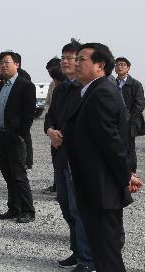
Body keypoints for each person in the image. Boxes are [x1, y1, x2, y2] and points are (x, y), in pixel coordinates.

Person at [65, 43, 143, 272]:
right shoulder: (90, 90)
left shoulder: (102, 92)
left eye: (82, 59)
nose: (76, 63)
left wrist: (125, 176)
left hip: (102, 188)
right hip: (94, 186)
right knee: (102, 251)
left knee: (107, 253)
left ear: (100, 65)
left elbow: (112, 143)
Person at [44, 39, 95, 272]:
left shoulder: (88, 89)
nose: (64, 61)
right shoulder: (61, 88)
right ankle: (77, 251)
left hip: (79, 159)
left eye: (70, 57)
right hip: (61, 156)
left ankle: (88, 259)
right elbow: (51, 116)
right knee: (67, 208)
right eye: (63, 57)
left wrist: (62, 135)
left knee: (80, 209)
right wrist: (50, 131)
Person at [0, 51, 36, 224]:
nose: (3, 65)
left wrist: (19, 133)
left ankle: (28, 210)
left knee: (19, 175)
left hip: (14, 137)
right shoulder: (0, 86)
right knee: (8, 175)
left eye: (6, 62)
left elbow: (29, 114)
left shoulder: (26, 85)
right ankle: (14, 208)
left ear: (17, 64)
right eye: (1, 62)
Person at [114, 57, 145, 173]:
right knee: (115, 147)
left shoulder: (135, 84)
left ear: (128, 68)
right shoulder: (111, 83)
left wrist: (129, 119)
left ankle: (131, 173)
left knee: (129, 149)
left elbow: (140, 104)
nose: (120, 66)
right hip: (114, 122)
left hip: (129, 123)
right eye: (117, 64)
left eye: (123, 64)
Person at [41, 56, 63, 195]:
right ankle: (57, 186)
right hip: (54, 127)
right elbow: (48, 103)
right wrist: (50, 128)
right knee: (55, 159)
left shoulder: (71, 85)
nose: (50, 74)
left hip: (64, 129)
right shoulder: (52, 85)